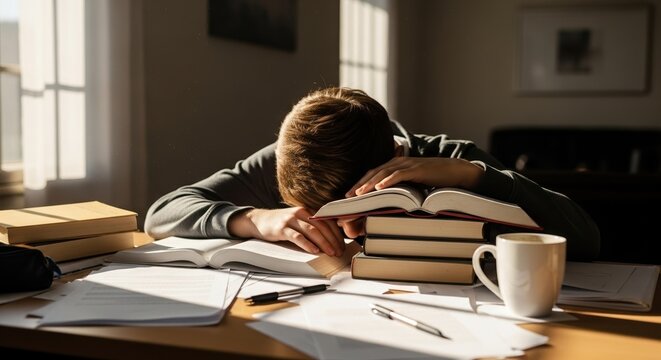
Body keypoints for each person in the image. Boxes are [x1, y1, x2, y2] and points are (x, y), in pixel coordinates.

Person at [144, 87, 600, 261]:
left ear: (396, 157)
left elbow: (586, 238)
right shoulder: (292, 157)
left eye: (359, 212)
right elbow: (161, 213)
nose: (346, 235)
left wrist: (474, 177)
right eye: (328, 218)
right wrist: (254, 219)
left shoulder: (456, 165)